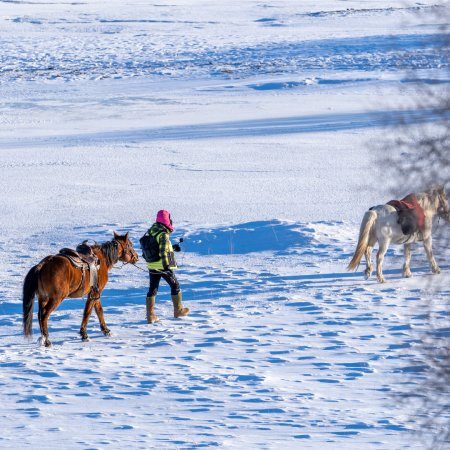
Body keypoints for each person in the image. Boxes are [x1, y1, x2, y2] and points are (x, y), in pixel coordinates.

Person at [145, 210, 189, 323]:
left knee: (153, 289)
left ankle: (150, 315)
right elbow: (163, 250)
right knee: (175, 285)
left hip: (152, 265)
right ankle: (178, 311)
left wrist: (173, 248)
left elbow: (156, 248)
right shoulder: (163, 234)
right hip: (163, 265)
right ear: (166, 220)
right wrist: (167, 266)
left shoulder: (151, 232)